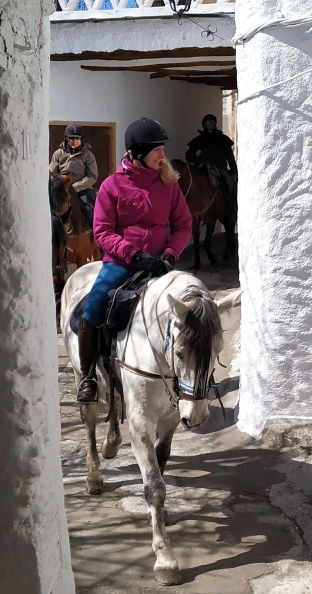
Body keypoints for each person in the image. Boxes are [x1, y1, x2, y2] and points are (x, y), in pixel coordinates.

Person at [76, 118, 193, 404]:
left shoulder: (169, 183)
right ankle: (89, 375)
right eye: (157, 150)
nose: (162, 155)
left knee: (190, 308)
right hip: (122, 263)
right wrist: (135, 254)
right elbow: (102, 231)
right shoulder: (110, 186)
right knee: (92, 307)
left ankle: (191, 373)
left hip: (162, 265)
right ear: (137, 152)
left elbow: (183, 225)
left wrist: (169, 254)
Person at [185, 114, 238, 220]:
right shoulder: (198, 140)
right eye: (209, 120)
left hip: (220, 168)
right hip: (201, 168)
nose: (212, 122)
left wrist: (233, 172)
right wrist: (196, 153)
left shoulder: (222, 139)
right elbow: (188, 157)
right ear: (204, 124)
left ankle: (232, 208)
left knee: (229, 183)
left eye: (213, 120)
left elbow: (230, 158)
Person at [49, 124, 98, 226]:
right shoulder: (58, 153)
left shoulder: (88, 155)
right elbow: (52, 173)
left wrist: (76, 187)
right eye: (71, 138)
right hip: (61, 188)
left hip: (81, 189)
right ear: (66, 138)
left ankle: (94, 232)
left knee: (92, 209)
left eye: (77, 138)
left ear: (81, 139)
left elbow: (92, 176)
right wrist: (61, 185)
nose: (74, 141)